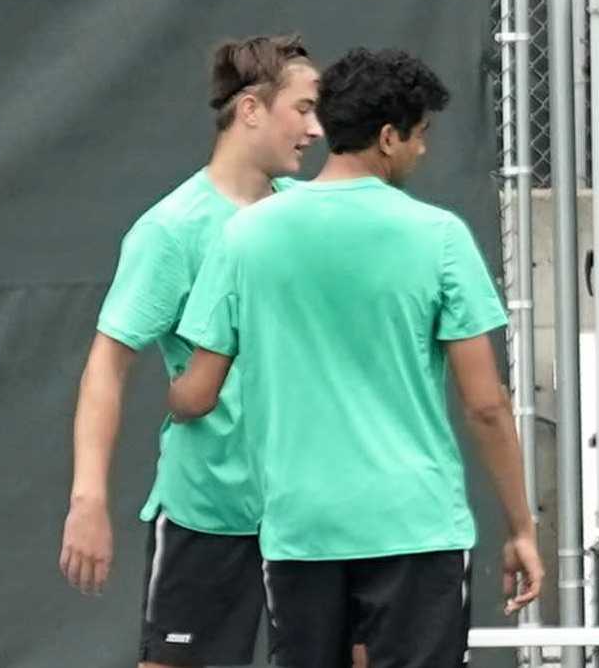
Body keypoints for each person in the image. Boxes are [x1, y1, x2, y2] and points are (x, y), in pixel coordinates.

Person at [168, 47, 544, 668]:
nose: (423, 150)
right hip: (417, 528)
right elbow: (485, 404)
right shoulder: (440, 237)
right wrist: (521, 529)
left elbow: (197, 392)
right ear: (389, 137)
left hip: (300, 530)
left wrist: (173, 399)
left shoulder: (246, 234)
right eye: (420, 136)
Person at [58, 34, 323, 668]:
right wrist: (88, 499)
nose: (316, 129)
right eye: (304, 108)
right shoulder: (170, 232)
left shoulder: (309, 218)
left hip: (313, 512)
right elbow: (108, 364)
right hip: (209, 512)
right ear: (252, 110)